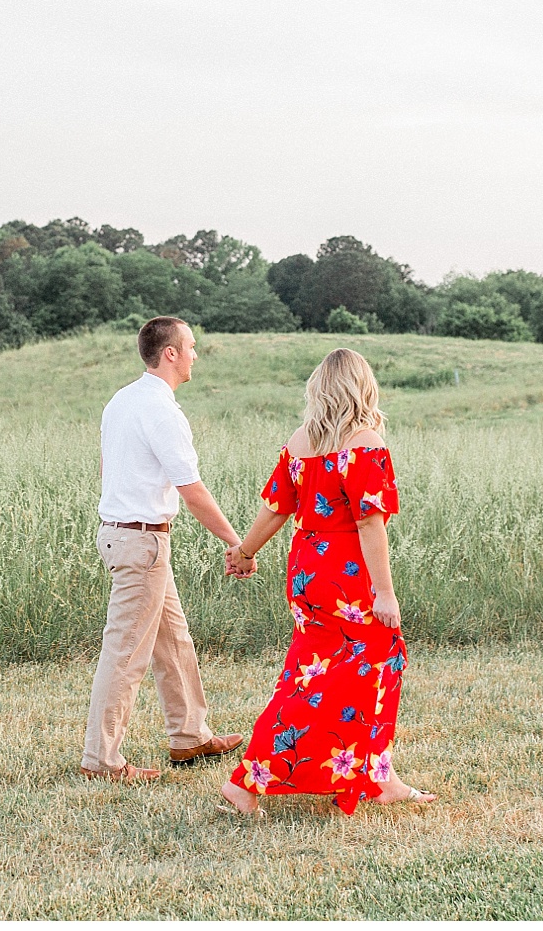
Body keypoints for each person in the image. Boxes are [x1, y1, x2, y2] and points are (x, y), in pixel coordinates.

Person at [217, 347, 437, 815]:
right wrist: (385, 592)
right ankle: (246, 780)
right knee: (361, 668)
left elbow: (276, 507)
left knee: (314, 670)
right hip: (348, 574)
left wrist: (244, 553)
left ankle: (381, 777)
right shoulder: (365, 441)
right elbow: (368, 523)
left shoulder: (301, 440)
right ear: (363, 388)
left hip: (306, 573)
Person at [80, 316, 248, 782]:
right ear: (170, 353)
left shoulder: (121, 400)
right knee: (126, 652)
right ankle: (102, 760)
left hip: (127, 536)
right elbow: (191, 490)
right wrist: (238, 543)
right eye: (191, 346)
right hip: (142, 542)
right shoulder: (161, 410)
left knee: (173, 640)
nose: (196, 353)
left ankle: (190, 736)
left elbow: (106, 468)